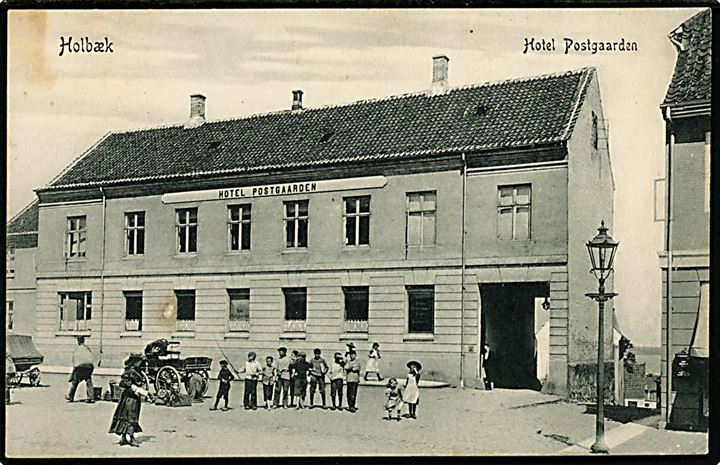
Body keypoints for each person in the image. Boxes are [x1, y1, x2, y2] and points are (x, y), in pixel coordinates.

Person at [109, 354, 150, 447]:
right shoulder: (131, 371)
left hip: (132, 397)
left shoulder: (135, 370)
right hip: (130, 398)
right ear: (135, 362)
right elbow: (127, 384)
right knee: (131, 416)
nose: (140, 363)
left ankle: (123, 437)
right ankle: (130, 437)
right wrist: (143, 392)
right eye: (139, 361)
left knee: (125, 416)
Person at [66, 336, 95, 403]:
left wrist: (74, 371)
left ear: (78, 341)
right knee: (89, 382)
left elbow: (75, 360)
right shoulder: (87, 348)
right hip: (88, 366)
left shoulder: (77, 349)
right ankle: (91, 397)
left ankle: (70, 396)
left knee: (75, 382)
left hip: (80, 367)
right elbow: (90, 358)